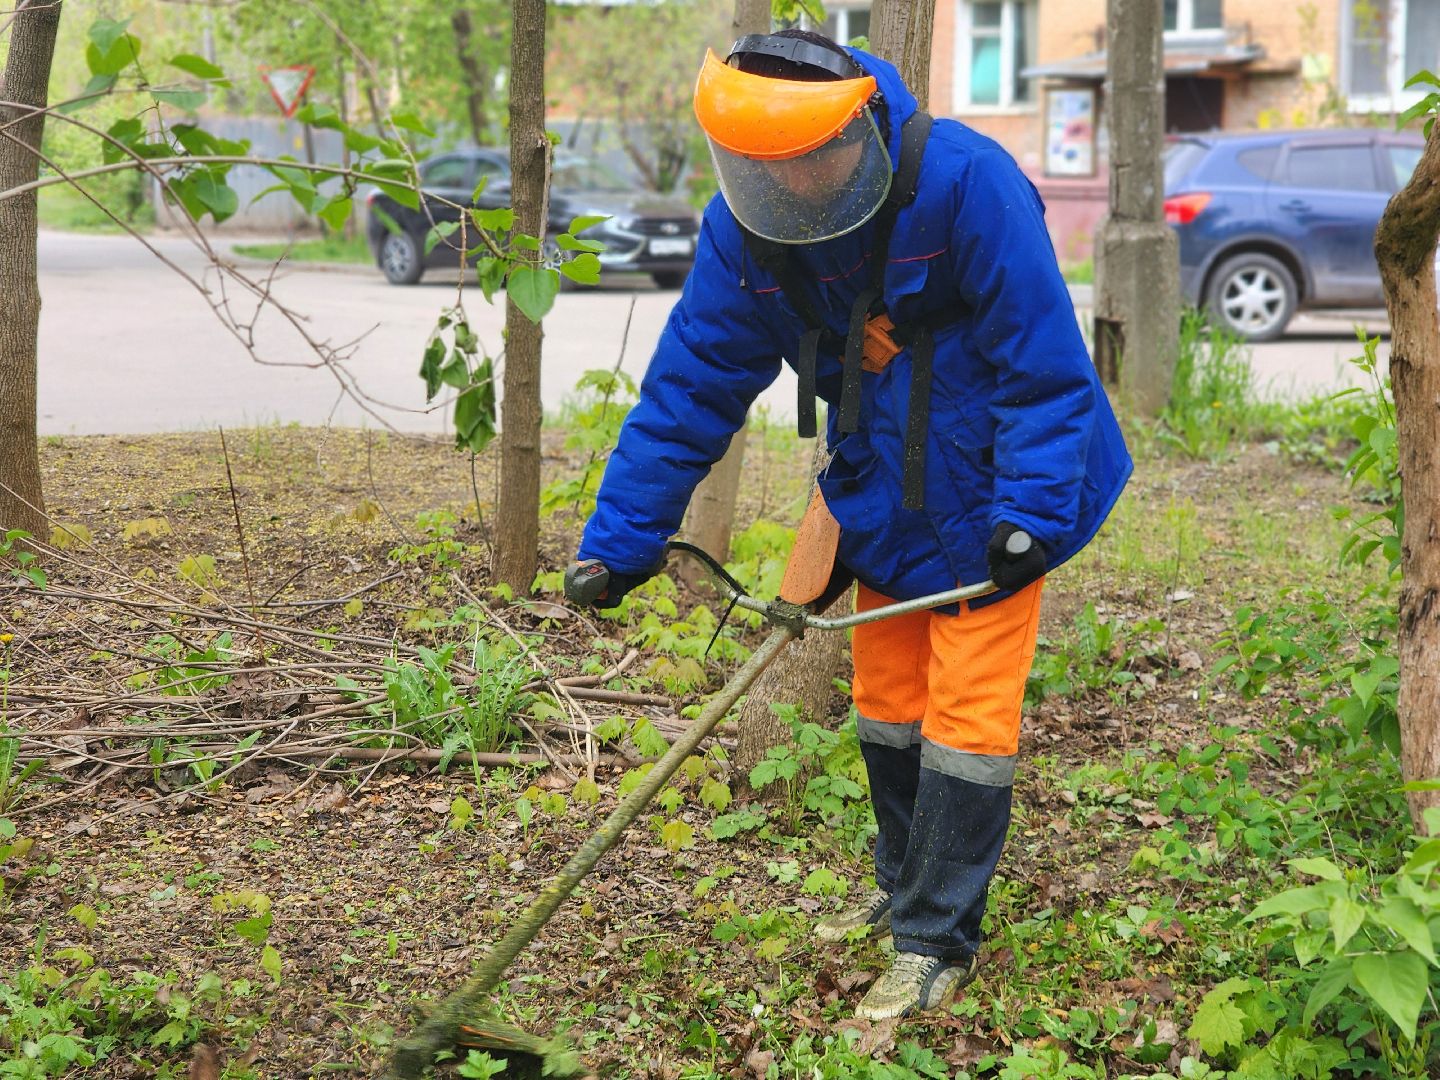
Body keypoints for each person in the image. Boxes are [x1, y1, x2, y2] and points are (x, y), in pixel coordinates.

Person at [564, 29, 1131, 1020]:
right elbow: (689, 385)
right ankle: (901, 885)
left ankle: (935, 940)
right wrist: (620, 540)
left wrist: (1031, 516)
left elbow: (1044, 366)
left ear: (858, 129)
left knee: (967, 723)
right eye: (762, 170)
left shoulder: (965, 182)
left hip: (999, 501)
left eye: (804, 164)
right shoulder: (748, 232)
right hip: (881, 495)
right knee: (890, 703)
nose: (785, 186)